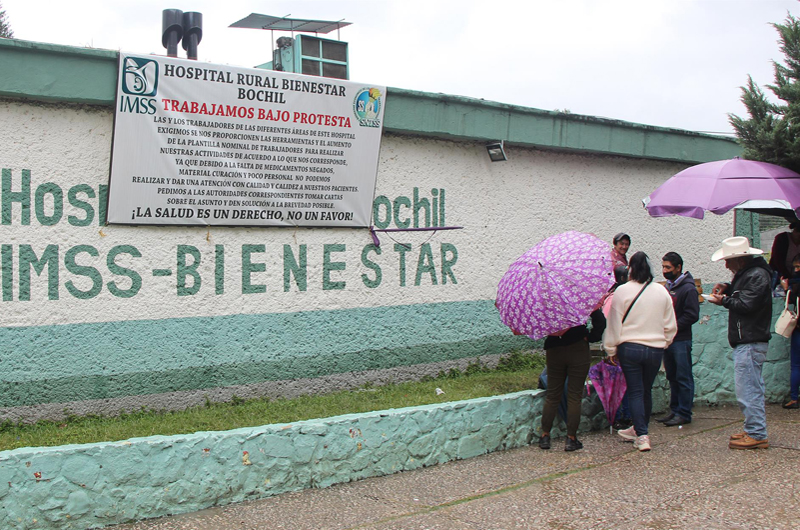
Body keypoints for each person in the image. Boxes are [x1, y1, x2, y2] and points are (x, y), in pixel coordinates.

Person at [603, 251, 677, 452]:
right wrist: (665, 341)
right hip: (655, 349)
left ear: (631, 269)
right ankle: (638, 428)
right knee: (646, 390)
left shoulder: (622, 291)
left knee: (635, 391)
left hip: (630, 348)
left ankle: (642, 435)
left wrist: (611, 348)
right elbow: (670, 324)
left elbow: (614, 323)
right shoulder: (662, 291)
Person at [707, 236, 773, 450]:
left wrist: (723, 300)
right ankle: (753, 428)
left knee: (749, 389)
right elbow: (745, 296)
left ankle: (756, 433)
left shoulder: (756, 275)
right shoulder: (751, 274)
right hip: (749, 339)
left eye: (728, 260)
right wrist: (727, 288)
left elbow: (747, 303)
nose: (726, 265)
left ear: (740, 260)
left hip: (750, 340)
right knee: (750, 387)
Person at [539, 308, 606, 452]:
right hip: (578, 347)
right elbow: (600, 320)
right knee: (574, 396)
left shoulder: (545, 302)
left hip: (554, 348)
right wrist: (591, 336)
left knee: (552, 395)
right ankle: (571, 438)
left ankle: (545, 436)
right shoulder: (578, 296)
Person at [656, 252, 700, 427]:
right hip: (669, 339)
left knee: (683, 376)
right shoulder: (669, 287)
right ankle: (674, 409)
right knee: (672, 376)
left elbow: (692, 315)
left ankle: (684, 412)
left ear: (678, 268)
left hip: (681, 339)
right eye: (663, 267)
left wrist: (673, 326)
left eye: (668, 267)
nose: (665, 270)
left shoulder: (688, 288)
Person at [603, 265, 632, 430]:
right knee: (626, 383)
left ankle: (621, 415)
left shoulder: (610, 297)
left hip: (616, 343)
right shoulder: (622, 297)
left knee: (618, 382)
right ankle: (626, 415)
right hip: (624, 343)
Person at [779, 254, 800, 410]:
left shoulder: (795, 285)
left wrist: (787, 290)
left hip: (798, 328)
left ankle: (794, 398)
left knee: (796, 365)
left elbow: (792, 300)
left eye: (798, 267)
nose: (796, 270)